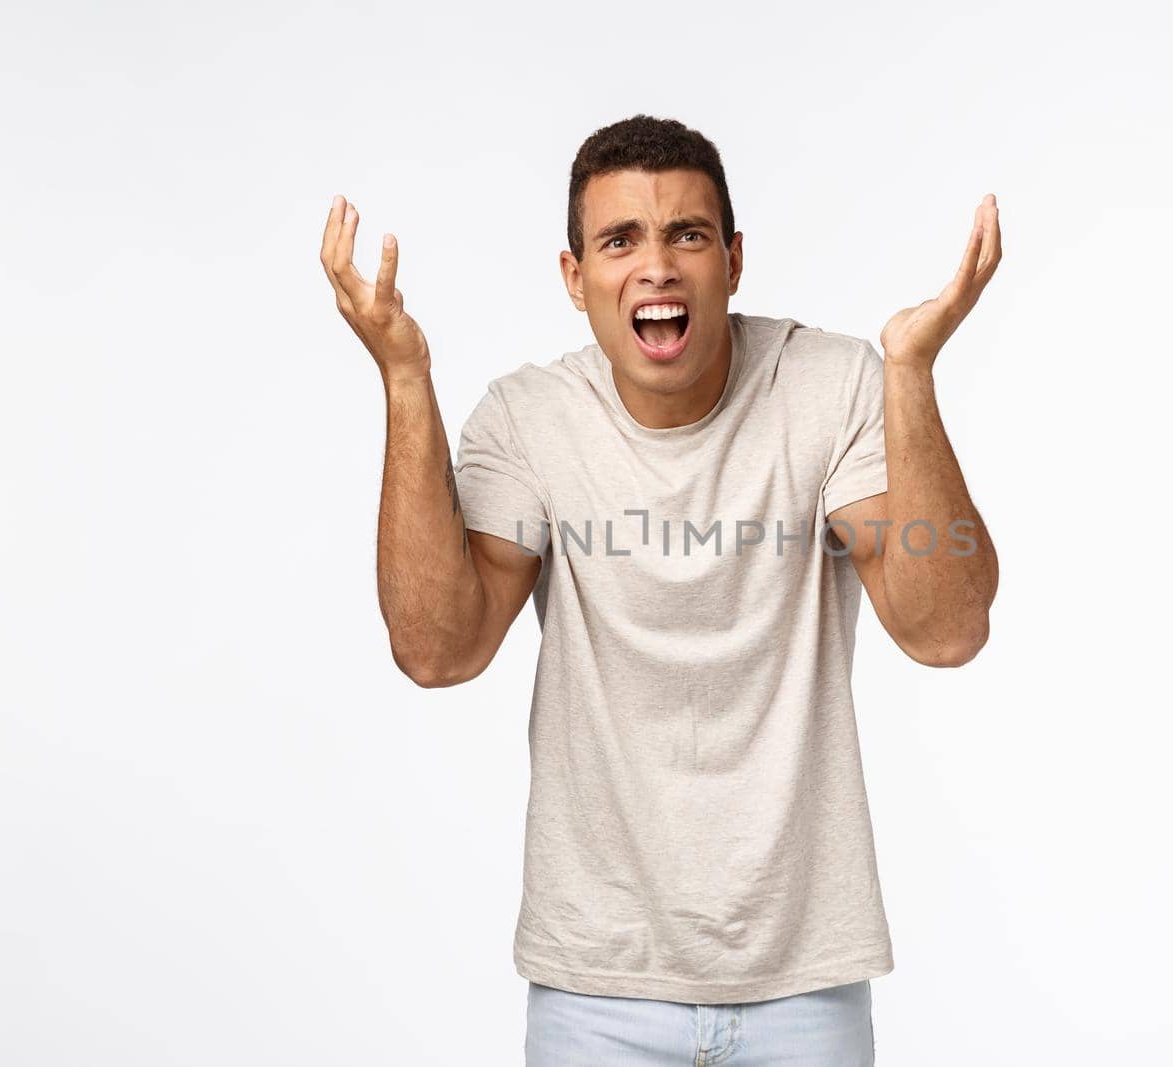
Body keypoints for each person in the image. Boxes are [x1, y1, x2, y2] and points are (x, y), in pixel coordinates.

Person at [319, 114, 999, 1065]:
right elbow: (439, 648)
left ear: (733, 259)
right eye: (619, 240)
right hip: (596, 984)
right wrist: (404, 376)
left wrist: (912, 374)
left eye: (686, 234)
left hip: (802, 978)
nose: (657, 266)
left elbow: (947, 628)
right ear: (574, 277)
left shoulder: (836, 383)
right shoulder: (528, 419)